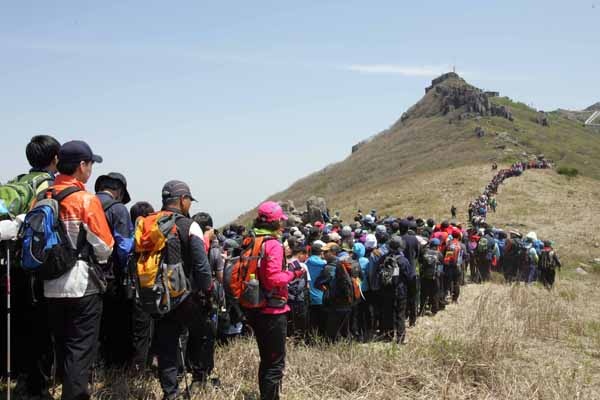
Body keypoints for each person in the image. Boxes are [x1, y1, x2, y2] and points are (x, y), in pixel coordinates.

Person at [44, 140, 114, 400]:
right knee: (80, 351)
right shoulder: (85, 199)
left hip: (49, 285)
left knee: (62, 348)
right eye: (91, 164)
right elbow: (105, 246)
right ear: (81, 165)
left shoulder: (44, 196)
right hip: (81, 285)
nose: (91, 169)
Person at [0, 135, 60, 398]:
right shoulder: (47, 184)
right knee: (38, 328)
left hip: (9, 264)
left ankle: (15, 376)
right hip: (33, 266)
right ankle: (34, 386)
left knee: (17, 322)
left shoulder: (18, 181)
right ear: (55, 158)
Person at [152, 180, 212, 399]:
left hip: (157, 294)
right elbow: (201, 265)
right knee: (201, 334)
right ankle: (198, 379)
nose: (190, 205)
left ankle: (170, 393)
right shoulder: (189, 225)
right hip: (185, 295)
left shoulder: (150, 223)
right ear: (182, 200)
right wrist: (207, 292)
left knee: (166, 344)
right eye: (189, 200)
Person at [244, 201, 304, 400]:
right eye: (281, 220)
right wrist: (294, 273)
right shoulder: (273, 245)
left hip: (256, 306)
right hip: (272, 311)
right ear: (276, 222)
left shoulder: (253, 239)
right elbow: (272, 280)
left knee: (266, 360)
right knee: (275, 363)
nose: (283, 224)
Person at [94, 172, 135, 368]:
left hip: (85, 274)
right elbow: (125, 247)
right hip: (111, 276)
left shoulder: (85, 203)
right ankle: (113, 365)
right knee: (114, 321)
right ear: (118, 191)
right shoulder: (118, 209)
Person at [129, 201, 156, 372]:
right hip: (151, 290)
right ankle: (143, 366)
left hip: (134, 290)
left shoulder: (131, 239)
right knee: (147, 331)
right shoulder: (154, 238)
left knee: (139, 332)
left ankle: (138, 367)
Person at [379, 236, 413, 344]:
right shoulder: (403, 261)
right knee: (400, 314)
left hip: (386, 290)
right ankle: (400, 337)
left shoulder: (383, 258)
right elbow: (410, 276)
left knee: (388, 313)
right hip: (400, 291)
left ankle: (388, 336)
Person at [286, 244, 310, 339]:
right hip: (298, 299)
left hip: (286, 297)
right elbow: (306, 285)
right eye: (305, 254)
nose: (306, 257)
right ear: (300, 254)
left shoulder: (285, 263)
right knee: (299, 323)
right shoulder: (300, 266)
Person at [305, 241, 327, 337]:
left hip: (309, 296)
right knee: (322, 322)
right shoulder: (324, 264)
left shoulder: (305, 263)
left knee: (312, 322)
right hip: (322, 296)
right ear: (321, 253)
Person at [419, 239, 442, 315]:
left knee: (423, 294)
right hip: (435, 277)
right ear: (437, 246)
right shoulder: (439, 254)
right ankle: (434, 310)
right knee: (435, 293)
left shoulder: (424, 252)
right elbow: (440, 267)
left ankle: (422, 310)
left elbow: (420, 262)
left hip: (424, 276)